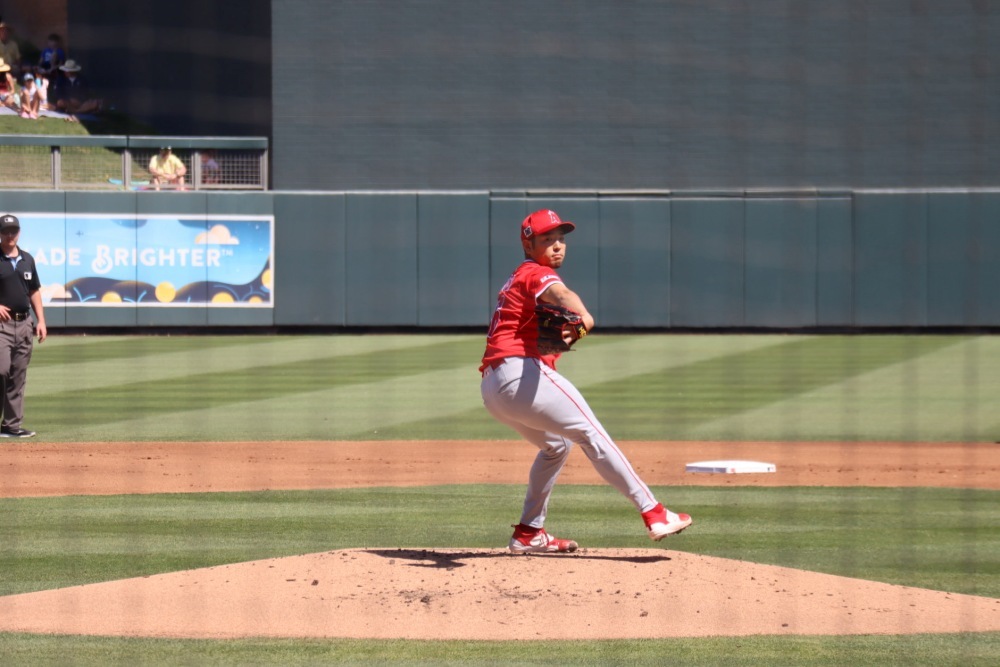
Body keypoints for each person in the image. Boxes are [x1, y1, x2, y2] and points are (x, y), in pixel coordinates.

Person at [480, 209, 692, 554]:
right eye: (547, 240)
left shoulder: (517, 277)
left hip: (493, 387)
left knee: (557, 446)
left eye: (561, 239)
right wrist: (584, 316)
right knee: (592, 432)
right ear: (528, 244)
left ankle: (529, 532)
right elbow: (562, 295)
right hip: (518, 374)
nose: (557, 246)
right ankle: (654, 513)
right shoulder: (536, 273)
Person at [0, 214, 47, 439]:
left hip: (24, 323)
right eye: (5, 231)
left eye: (13, 231)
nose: (10, 235)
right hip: (2, 325)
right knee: (1, 370)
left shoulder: (27, 259)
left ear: (18, 232)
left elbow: (34, 291)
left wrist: (41, 321)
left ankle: (11, 426)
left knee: (18, 375)